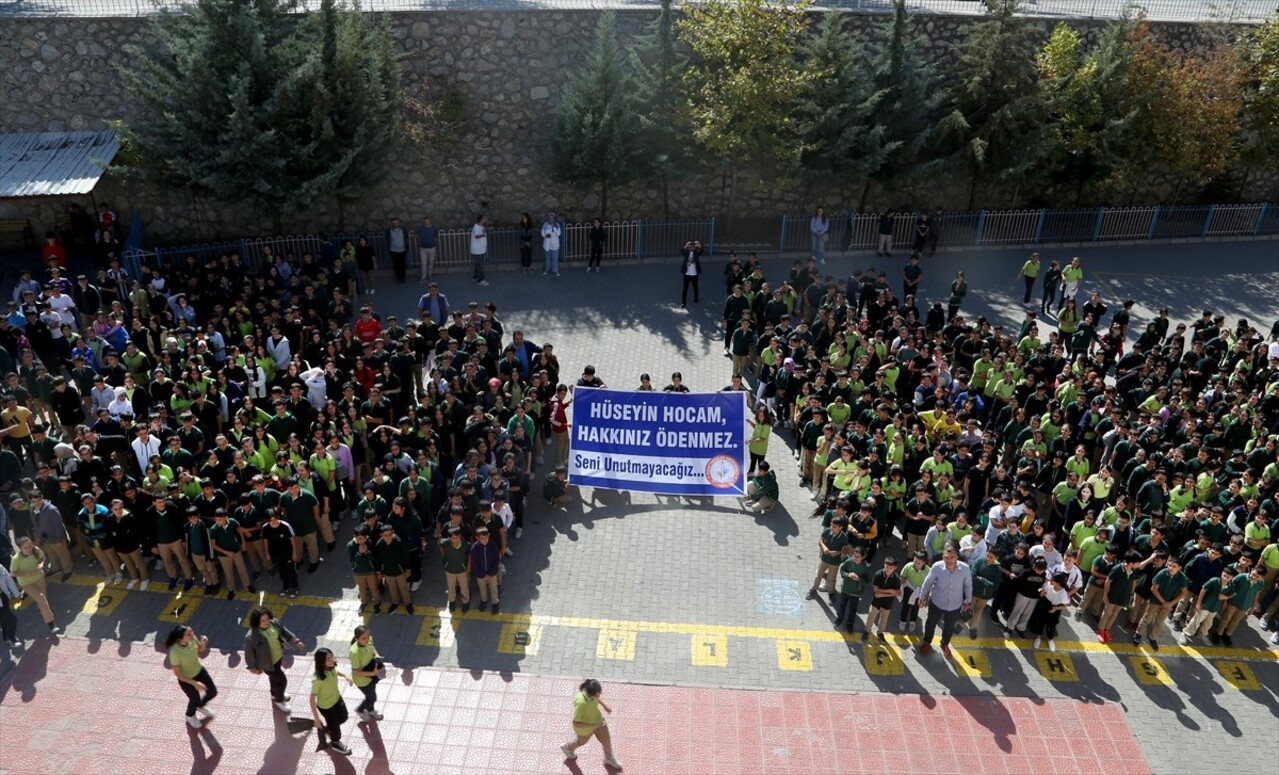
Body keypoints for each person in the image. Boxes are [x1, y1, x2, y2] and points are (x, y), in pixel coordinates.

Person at [244, 606, 306, 714]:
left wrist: (295, 641)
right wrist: (252, 668)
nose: (266, 622)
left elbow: (284, 632)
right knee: (282, 681)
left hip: (278, 657)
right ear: (256, 622)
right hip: (267, 664)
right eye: (262, 620)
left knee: (274, 679)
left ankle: (275, 694)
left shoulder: (274, 623)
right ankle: (279, 700)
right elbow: (248, 653)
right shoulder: (251, 637)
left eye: (267, 619)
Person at [916, 545, 972, 659]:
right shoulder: (937, 567)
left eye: (952, 557)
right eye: (946, 557)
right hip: (937, 602)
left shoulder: (965, 568)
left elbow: (968, 585)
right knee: (930, 623)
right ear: (943, 557)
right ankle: (927, 642)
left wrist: (968, 600)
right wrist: (922, 597)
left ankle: (944, 644)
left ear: (957, 557)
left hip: (955, 606)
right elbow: (928, 583)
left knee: (950, 627)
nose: (949, 560)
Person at [561, 678, 623, 771]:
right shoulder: (581, 703)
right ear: (591, 694)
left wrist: (604, 706)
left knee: (606, 740)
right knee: (581, 742)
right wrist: (593, 726)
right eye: (598, 693)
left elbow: (596, 698)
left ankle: (609, 758)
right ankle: (568, 748)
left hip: (598, 721)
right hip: (585, 729)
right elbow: (576, 723)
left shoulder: (590, 692)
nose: (599, 694)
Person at [165, 624, 216, 728]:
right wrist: (195, 683)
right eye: (188, 634)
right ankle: (190, 716)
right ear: (180, 638)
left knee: (212, 691)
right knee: (194, 699)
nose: (192, 634)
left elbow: (200, 649)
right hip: (186, 679)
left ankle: (200, 706)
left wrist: (204, 642)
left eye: (191, 631)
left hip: (199, 671)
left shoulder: (191, 639)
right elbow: (178, 673)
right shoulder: (175, 652)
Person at [10, 537, 61, 635]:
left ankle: (42, 609)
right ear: (20, 549)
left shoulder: (36, 550)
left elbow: (42, 557)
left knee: (43, 599)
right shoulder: (16, 559)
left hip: (39, 578)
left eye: (30, 546)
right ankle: (51, 623)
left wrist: (41, 564)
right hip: (26, 583)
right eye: (25, 548)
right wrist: (26, 574)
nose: (29, 549)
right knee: (41, 598)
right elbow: (13, 573)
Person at [310, 647, 353, 755]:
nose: (332, 660)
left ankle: (329, 729)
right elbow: (311, 700)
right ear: (321, 663)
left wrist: (345, 676)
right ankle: (335, 742)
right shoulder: (318, 679)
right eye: (328, 659)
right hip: (326, 706)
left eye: (332, 657)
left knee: (344, 717)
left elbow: (335, 672)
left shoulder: (331, 667)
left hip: (337, 699)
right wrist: (317, 719)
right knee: (336, 728)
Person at [350, 624, 385, 721]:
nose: (367, 639)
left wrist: (376, 655)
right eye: (363, 638)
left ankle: (370, 710)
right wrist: (373, 674)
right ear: (357, 639)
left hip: (371, 673)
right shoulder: (355, 652)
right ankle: (360, 709)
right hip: (362, 680)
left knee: (372, 695)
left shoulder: (369, 640)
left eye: (368, 636)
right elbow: (356, 671)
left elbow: (372, 647)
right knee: (372, 697)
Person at [471, 524, 502, 614]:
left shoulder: (493, 545)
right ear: (477, 538)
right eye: (482, 538)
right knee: (482, 588)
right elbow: (475, 564)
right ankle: (484, 600)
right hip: (481, 574)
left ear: (488, 535)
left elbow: (496, 560)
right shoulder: (474, 548)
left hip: (492, 573)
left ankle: (495, 602)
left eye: (486, 537)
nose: (484, 540)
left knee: (493, 588)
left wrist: (490, 573)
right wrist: (483, 575)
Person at [679, 241, 703, 308]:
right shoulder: (686, 253)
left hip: (694, 274)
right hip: (687, 273)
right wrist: (685, 245)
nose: (691, 248)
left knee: (695, 287)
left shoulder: (696, 253)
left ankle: (696, 298)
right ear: (688, 248)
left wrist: (699, 245)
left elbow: (702, 252)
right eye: (690, 247)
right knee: (685, 288)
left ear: (695, 247)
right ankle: (683, 302)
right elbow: (681, 251)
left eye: (693, 247)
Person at [416, 216, 439, 282]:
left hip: (432, 248)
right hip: (423, 248)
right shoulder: (420, 228)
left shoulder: (434, 228)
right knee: (424, 263)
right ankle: (423, 277)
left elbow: (435, 236)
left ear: (430, 221)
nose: (427, 223)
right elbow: (416, 235)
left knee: (431, 262)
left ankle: (429, 275)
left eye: (428, 221)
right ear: (423, 222)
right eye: (425, 222)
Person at [386, 217, 408, 284]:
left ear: (399, 223)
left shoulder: (403, 230)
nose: (395, 224)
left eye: (396, 223)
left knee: (403, 264)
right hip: (393, 251)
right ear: (392, 224)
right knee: (396, 265)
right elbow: (387, 238)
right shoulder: (389, 231)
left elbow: (406, 237)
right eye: (394, 223)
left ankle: (403, 276)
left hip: (402, 250)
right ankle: (398, 277)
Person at [469, 213, 489, 286]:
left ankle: (475, 277)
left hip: (480, 249)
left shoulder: (481, 226)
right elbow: (477, 236)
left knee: (477, 264)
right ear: (481, 220)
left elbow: (484, 229)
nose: (486, 220)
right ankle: (481, 280)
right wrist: (483, 235)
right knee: (479, 265)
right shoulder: (476, 227)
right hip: (477, 250)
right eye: (484, 219)